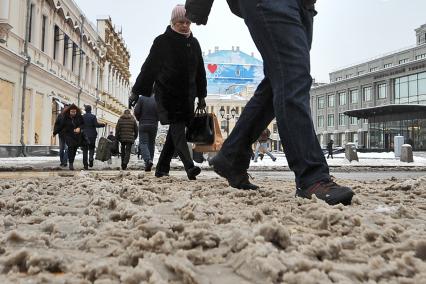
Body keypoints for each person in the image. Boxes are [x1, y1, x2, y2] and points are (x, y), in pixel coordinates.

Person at [185, 0, 354, 205]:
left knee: (280, 79)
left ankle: (231, 156)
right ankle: (312, 176)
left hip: (303, 5)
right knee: (292, 77)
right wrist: (197, 6)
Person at [130, 4, 206, 180]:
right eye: (181, 22)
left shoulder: (194, 43)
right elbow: (149, 68)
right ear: (173, 22)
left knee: (175, 131)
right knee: (178, 127)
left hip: (188, 96)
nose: (185, 25)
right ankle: (189, 166)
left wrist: (201, 95)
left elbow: (200, 71)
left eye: (187, 22)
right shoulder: (162, 41)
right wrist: (136, 91)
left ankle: (162, 168)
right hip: (168, 94)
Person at [53, 104, 85, 170]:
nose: (73, 113)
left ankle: (71, 161)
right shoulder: (65, 117)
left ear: (76, 111)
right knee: (69, 148)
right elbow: (61, 125)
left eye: (74, 112)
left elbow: (83, 124)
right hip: (68, 135)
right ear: (69, 111)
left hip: (76, 136)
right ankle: (70, 164)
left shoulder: (79, 117)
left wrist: (79, 128)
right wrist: (55, 132)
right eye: (72, 112)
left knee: (74, 150)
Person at [134, 95, 159, 171]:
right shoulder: (157, 99)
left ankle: (148, 160)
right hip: (154, 125)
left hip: (143, 124)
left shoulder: (141, 98)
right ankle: (149, 162)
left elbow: (136, 111)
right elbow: (160, 112)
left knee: (143, 143)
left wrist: (139, 119)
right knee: (151, 144)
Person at [82, 105, 105, 170]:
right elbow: (96, 125)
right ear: (90, 110)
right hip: (92, 135)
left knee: (85, 150)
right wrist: (102, 125)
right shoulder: (93, 116)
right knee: (91, 148)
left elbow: (80, 125)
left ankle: (85, 165)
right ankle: (91, 158)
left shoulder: (82, 117)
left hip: (84, 136)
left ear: (85, 110)